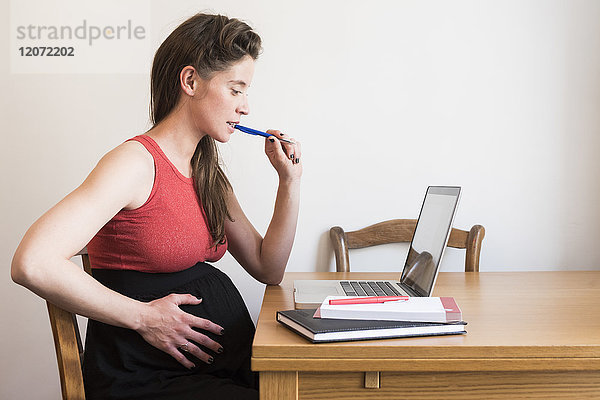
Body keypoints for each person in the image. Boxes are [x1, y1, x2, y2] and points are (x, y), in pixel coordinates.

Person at [11, 13, 301, 400]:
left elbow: (269, 267)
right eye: (236, 90)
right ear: (191, 81)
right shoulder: (133, 164)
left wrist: (289, 181)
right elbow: (32, 262)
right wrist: (145, 317)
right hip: (145, 378)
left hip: (221, 371)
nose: (246, 107)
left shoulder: (207, 170)